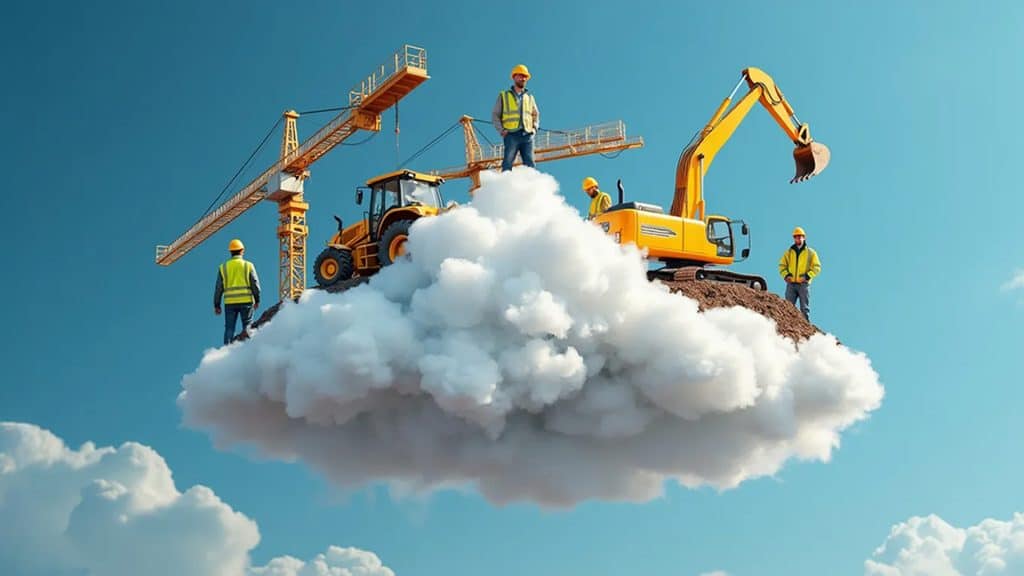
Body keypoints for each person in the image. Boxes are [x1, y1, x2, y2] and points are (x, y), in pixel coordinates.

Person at [492, 64, 540, 171]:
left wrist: (534, 128)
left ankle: (531, 185)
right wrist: (501, 130)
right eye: (520, 76)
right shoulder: (504, 95)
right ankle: (506, 183)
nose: (523, 79)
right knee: (508, 162)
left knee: (530, 163)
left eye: (525, 77)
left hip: (527, 134)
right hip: (511, 134)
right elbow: (495, 114)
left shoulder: (529, 97)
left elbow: (536, 114)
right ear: (514, 77)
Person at [214, 238, 261, 345]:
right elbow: (255, 284)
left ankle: (227, 350)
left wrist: (217, 305)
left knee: (229, 328)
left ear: (230, 251)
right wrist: (257, 299)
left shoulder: (223, 267)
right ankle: (250, 347)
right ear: (242, 250)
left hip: (230, 303)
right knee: (248, 326)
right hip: (246, 301)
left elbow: (218, 288)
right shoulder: (248, 265)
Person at [778, 226, 821, 320]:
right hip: (791, 284)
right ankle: (787, 325)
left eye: (800, 236)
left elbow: (817, 267)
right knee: (788, 307)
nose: (798, 238)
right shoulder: (789, 253)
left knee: (804, 309)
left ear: (804, 237)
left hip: (803, 284)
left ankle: (805, 328)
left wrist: (807, 276)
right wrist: (786, 275)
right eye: (796, 236)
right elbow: (782, 265)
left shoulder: (811, 253)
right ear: (794, 238)